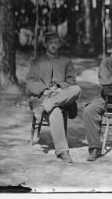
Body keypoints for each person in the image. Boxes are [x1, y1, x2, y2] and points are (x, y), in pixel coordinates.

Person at [26, 31, 81, 163]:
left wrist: (59, 88)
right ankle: (62, 151)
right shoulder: (37, 61)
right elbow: (30, 82)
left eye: (56, 43)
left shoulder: (66, 61)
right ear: (46, 44)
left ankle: (42, 108)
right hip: (44, 96)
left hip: (61, 95)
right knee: (55, 111)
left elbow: (72, 82)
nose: (54, 46)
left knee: (77, 89)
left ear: (60, 44)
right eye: (51, 43)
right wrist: (44, 91)